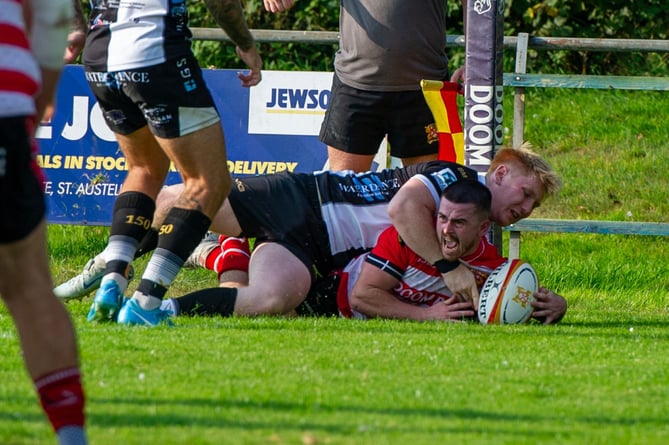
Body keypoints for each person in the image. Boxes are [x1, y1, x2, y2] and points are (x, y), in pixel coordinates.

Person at [78, 0, 263, 326]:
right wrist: (245, 44)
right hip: (153, 53)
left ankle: (111, 282)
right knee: (209, 182)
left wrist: (74, 28)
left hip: (99, 55)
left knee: (144, 169)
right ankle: (146, 301)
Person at [165, 181, 567, 324]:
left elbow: (512, 300)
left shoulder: (492, 266)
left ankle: (223, 256)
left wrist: (555, 305)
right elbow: (362, 297)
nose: (444, 229)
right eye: (442, 217)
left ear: (484, 229)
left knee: (255, 295)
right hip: (327, 294)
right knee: (267, 303)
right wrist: (428, 315)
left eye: (458, 224)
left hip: (303, 257)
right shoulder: (408, 238)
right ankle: (224, 253)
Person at [0, 0, 88, 443]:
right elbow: (53, 16)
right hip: (7, 104)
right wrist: (36, 100)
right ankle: (72, 437)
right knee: (32, 290)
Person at [265, 0, 467, 172]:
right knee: (341, 196)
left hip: (425, 88)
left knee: (428, 199)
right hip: (356, 84)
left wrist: (474, 59)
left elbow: (477, 5)